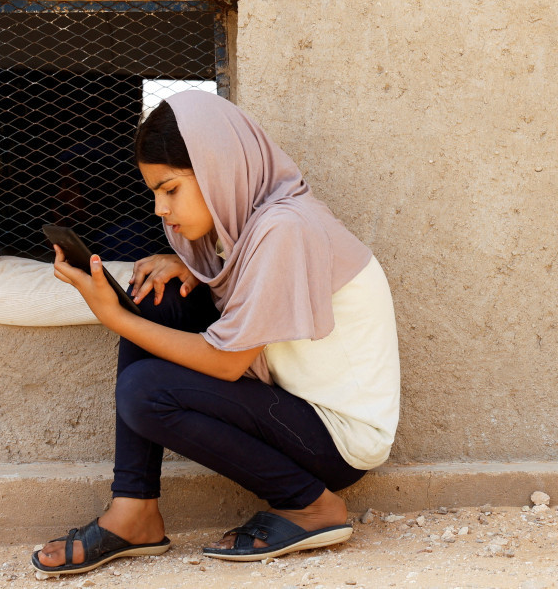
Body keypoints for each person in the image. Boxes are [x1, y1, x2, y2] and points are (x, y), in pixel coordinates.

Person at [32, 90, 400, 575]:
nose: (161, 209)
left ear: (218, 170)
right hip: (294, 409)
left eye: (171, 189)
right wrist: (187, 271)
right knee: (160, 297)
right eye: (154, 195)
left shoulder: (284, 227)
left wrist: (113, 316)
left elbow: (227, 361)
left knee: (145, 392)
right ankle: (135, 510)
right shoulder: (252, 230)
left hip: (337, 442)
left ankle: (311, 506)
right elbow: (248, 302)